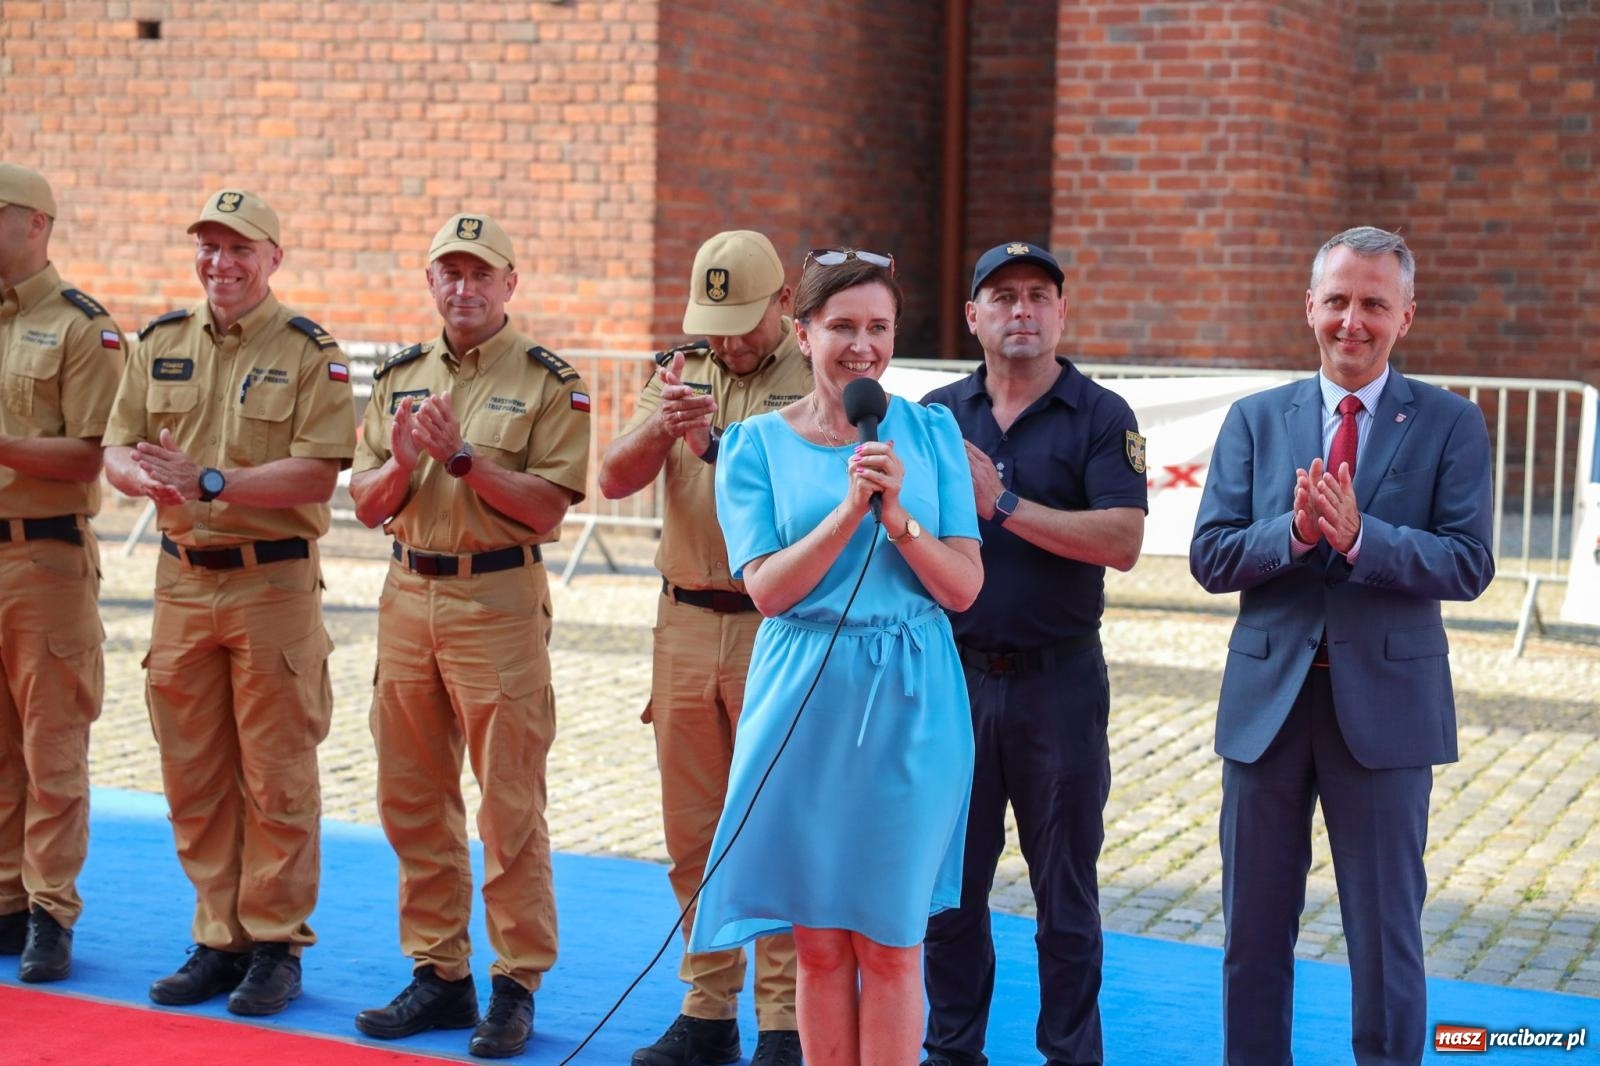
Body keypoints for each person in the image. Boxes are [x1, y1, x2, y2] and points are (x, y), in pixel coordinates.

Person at [1190, 226, 1495, 1065]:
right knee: (1252, 934)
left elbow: (1470, 564)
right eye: (1337, 301)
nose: (1351, 321)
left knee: (1386, 935)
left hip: (1387, 716)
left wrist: (1366, 541)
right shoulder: (1255, 420)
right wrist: (1289, 534)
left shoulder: (1450, 423)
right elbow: (1210, 557)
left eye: (1372, 304)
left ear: (1406, 317)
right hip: (1267, 713)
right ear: (1309, 308)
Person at [686, 249, 983, 1065]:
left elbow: (962, 588)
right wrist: (849, 509)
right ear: (802, 330)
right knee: (818, 947)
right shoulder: (751, 447)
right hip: (804, 695)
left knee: (890, 942)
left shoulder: (931, 433)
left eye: (878, 328)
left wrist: (898, 522)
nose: (862, 346)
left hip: (913, 699)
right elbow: (770, 589)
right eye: (842, 326)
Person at [102, 188, 354, 1015]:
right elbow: (115, 445)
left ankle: (277, 943)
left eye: (240, 249)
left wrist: (212, 480)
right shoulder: (160, 341)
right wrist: (142, 478)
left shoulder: (312, 352)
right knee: (194, 768)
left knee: (277, 769)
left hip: (270, 584)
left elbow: (319, 472)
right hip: (182, 580)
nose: (221, 263)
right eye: (209, 247)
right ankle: (220, 936)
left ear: (273, 258)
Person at [349, 213, 590, 1060]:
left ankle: (516, 981)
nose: (464, 287)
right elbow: (366, 503)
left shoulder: (549, 381)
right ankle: (439, 973)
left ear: (509, 284)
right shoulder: (399, 377)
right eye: (449, 272)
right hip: (408, 592)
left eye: (480, 274)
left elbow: (550, 508)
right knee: (412, 797)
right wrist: (407, 463)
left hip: (497, 601)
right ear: (431, 283)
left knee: (509, 801)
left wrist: (462, 461)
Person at [920, 241, 1147, 1066]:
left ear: (1061, 313)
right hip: (956, 680)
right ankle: (952, 1050)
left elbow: (1121, 541)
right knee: (948, 894)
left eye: (1039, 296)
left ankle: (1070, 1054)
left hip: (1060, 684)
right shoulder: (937, 416)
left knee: (1066, 897)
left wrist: (1004, 503)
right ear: (973, 315)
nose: (1023, 310)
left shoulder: (1101, 415)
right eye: (1004, 296)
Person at [598, 230, 809, 1066]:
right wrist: (661, 432)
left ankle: (786, 1019)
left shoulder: (818, 377)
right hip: (684, 618)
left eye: (742, 322)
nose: (726, 340)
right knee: (695, 827)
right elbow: (611, 478)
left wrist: (717, 447)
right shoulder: (679, 372)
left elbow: (813, 501)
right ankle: (707, 1006)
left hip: (777, 625)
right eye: (713, 322)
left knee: (775, 821)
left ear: (784, 304)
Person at [0, 162, 126, 984]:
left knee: (51, 742)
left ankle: (50, 909)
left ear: (36, 225)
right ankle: (6, 900)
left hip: (43, 554)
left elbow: (91, 450)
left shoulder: (84, 328)